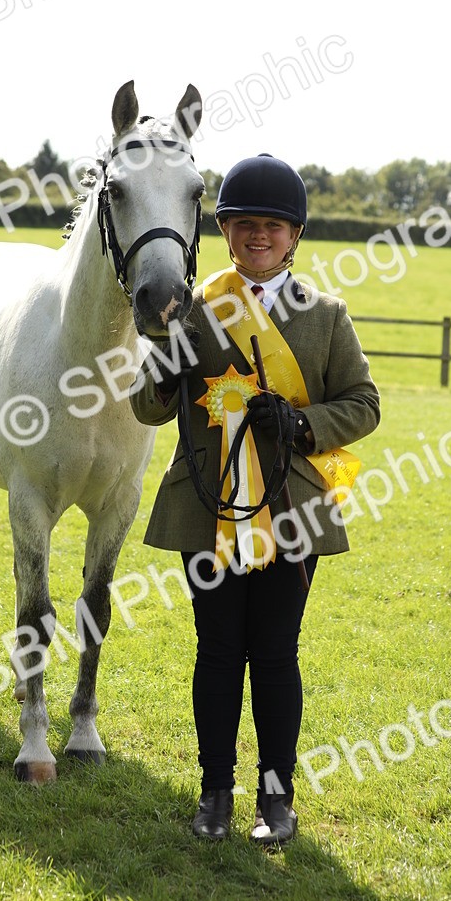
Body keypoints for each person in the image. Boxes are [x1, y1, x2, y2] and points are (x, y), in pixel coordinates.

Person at [130, 153, 380, 846]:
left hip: (292, 511)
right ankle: (214, 792)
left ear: (293, 235)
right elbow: (147, 409)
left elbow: (364, 404)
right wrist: (164, 367)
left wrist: (304, 424)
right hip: (205, 507)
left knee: (274, 654)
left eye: (272, 226)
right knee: (216, 651)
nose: (258, 237)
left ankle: (276, 796)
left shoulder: (326, 315)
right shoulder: (195, 307)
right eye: (245, 225)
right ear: (225, 230)